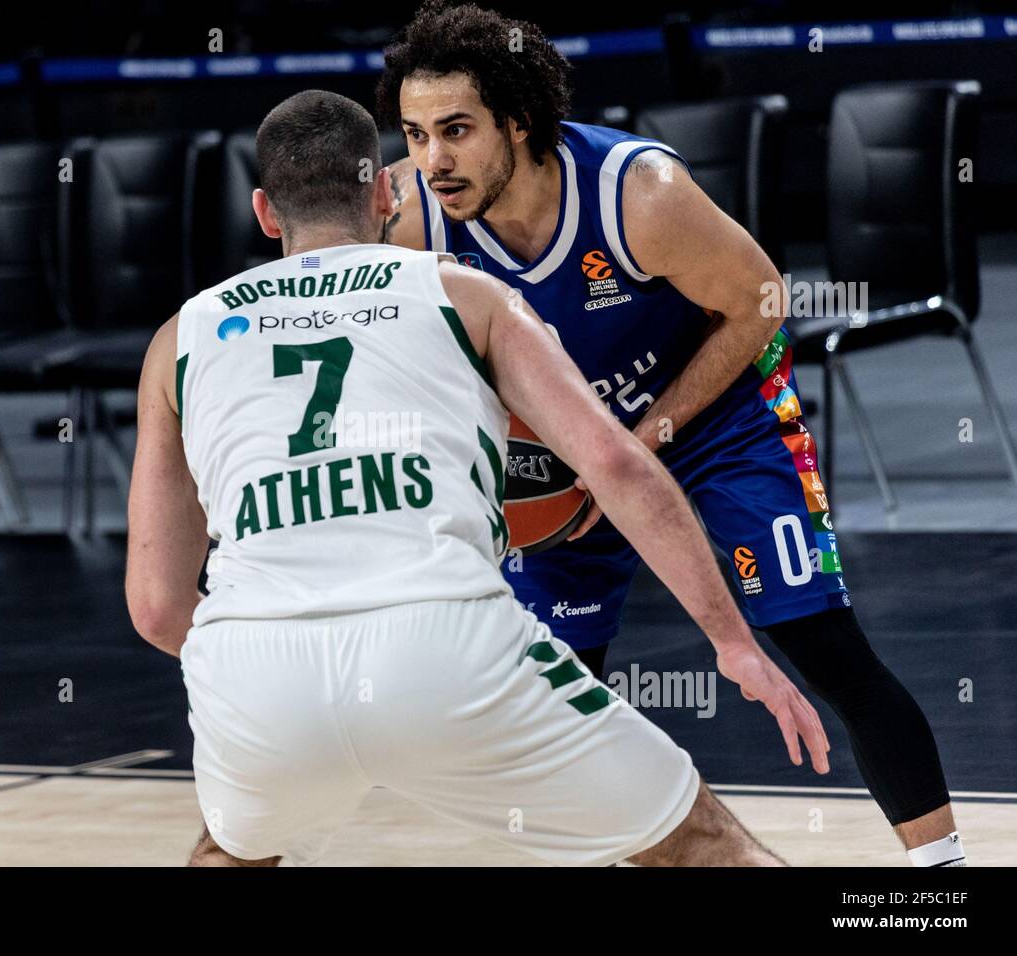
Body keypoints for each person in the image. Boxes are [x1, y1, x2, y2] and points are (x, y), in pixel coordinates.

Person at [125, 89, 828, 867]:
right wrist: (732, 642)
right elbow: (617, 464)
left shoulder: (178, 338)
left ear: (265, 211)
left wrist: (280, 663)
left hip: (254, 670)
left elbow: (158, 608)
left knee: (230, 850)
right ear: (388, 192)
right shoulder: (464, 294)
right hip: (445, 650)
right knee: (697, 845)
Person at [376, 0, 964, 866]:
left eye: (456, 131)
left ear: (519, 120)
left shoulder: (636, 193)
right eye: (415, 134)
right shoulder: (415, 217)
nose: (432, 159)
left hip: (716, 420)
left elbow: (763, 302)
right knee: (560, 696)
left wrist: (650, 431)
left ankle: (938, 879)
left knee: (823, 646)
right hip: (569, 450)